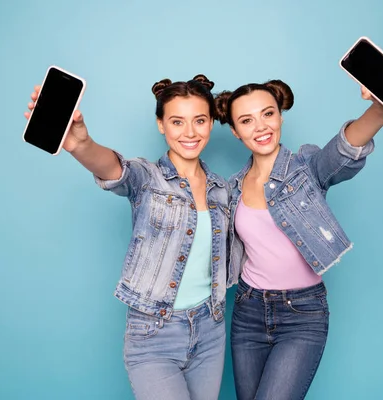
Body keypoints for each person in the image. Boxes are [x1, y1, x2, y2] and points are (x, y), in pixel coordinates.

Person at [215, 53, 383, 399]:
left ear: (280, 117)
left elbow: (346, 148)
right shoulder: (231, 188)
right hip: (247, 312)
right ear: (234, 131)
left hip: (302, 315)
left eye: (268, 114)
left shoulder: (306, 167)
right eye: (246, 121)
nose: (260, 127)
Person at [24, 74, 230, 400]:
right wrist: (81, 145)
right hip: (153, 333)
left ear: (210, 124)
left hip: (210, 330)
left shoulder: (222, 190)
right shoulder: (147, 177)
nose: (190, 133)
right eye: (177, 122)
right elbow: (113, 169)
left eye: (199, 121)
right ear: (161, 124)